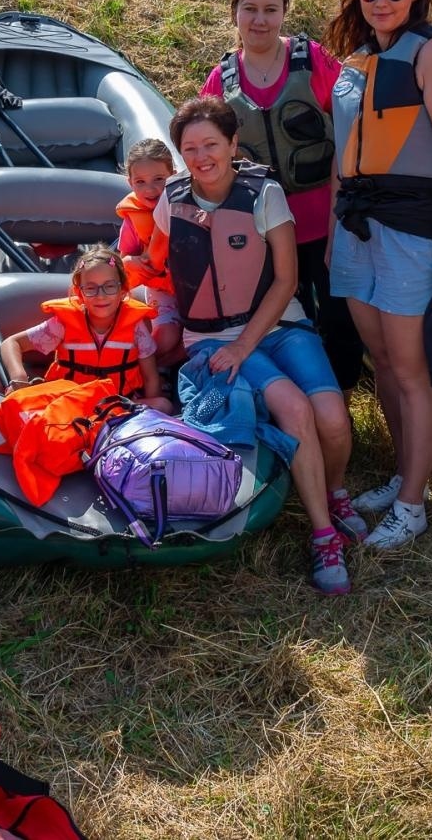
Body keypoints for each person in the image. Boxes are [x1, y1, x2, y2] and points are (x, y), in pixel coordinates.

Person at [151, 96, 361, 594]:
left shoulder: (263, 194)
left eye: (211, 145)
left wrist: (246, 346)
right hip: (210, 338)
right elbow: (156, 266)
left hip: (277, 324)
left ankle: (334, 490)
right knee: (294, 408)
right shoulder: (171, 199)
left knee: (333, 417)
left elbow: (287, 280)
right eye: (190, 148)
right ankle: (323, 535)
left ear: (232, 145)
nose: (201, 157)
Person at [324, 0, 432, 550]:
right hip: (356, 225)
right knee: (381, 360)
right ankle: (401, 475)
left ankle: (414, 503)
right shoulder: (356, 60)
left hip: (412, 227)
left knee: (414, 371)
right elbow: (343, 159)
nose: (381, 0)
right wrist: (337, 231)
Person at [201, 0, 363, 389]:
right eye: (250, 9)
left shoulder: (314, 62)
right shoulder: (221, 80)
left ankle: (341, 400)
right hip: (263, 232)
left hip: (325, 222)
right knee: (287, 323)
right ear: (234, 14)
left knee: (338, 316)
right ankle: (301, 397)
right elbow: (206, 149)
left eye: (271, 9)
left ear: (284, 13)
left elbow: (352, 131)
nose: (260, 20)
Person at [0, 247, 175, 414]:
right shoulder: (62, 324)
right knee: (17, 402)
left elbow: (151, 378)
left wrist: (150, 412)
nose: (101, 295)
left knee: (162, 404)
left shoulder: (136, 328)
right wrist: (19, 378)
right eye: (91, 288)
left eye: (110, 286)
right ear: (79, 293)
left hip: (117, 405)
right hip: (69, 403)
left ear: (123, 291)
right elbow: (11, 343)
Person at [115, 138, 183, 360]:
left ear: (173, 175)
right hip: (161, 289)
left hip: (195, 289)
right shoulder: (133, 219)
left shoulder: (188, 204)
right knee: (166, 338)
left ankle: (171, 368)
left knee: (196, 340)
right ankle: (147, 369)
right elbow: (123, 259)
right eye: (140, 182)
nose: (150, 189)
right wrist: (129, 263)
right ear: (130, 183)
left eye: (159, 179)